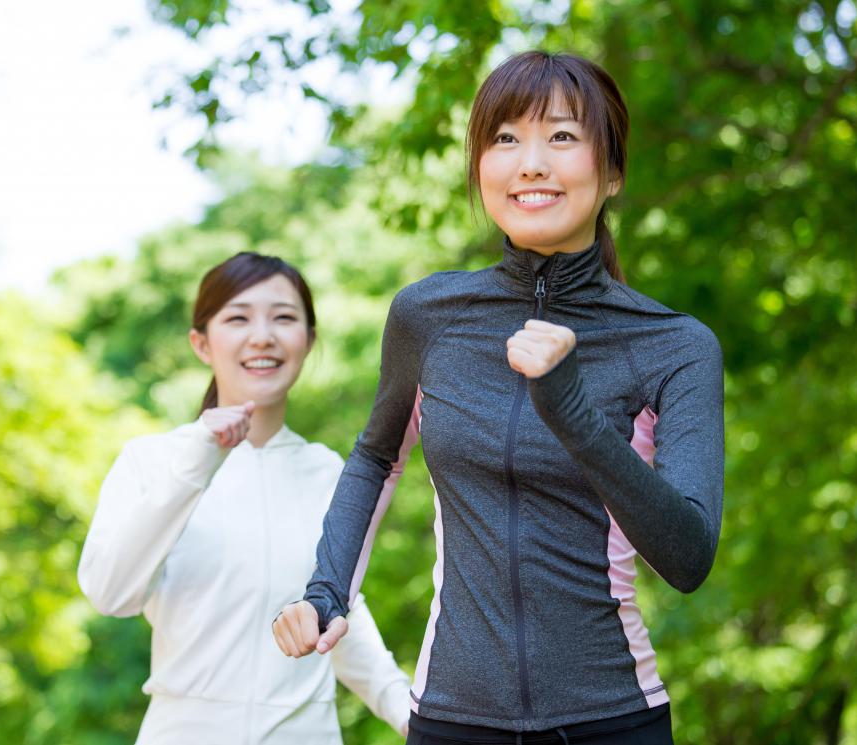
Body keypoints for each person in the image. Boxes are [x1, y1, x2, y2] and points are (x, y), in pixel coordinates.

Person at [272, 51, 724, 744]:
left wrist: (571, 409)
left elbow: (688, 554)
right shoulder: (428, 315)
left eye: (563, 137)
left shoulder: (672, 344)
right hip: (452, 718)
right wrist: (326, 590)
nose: (530, 163)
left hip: (612, 719)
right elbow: (375, 458)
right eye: (505, 138)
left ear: (611, 173)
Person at [78, 252, 411, 744]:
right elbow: (112, 593)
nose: (262, 336)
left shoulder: (328, 471)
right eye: (238, 318)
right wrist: (199, 458)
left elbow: (340, 615)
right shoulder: (152, 460)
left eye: (283, 317)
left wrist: (408, 714)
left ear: (308, 340)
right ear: (201, 342)